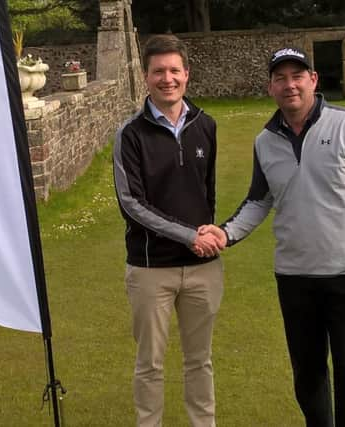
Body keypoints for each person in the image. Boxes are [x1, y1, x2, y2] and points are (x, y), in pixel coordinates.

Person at [199, 47, 345, 427]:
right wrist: (223, 233)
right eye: (280, 78)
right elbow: (259, 200)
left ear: (313, 81)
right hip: (294, 278)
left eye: (297, 76)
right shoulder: (265, 141)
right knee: (307, 376)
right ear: (271, 87)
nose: (289, 85)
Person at [113, 34, 224, 427]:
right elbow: (132, 204)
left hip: (203, 268)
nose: (167, 78)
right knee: (150, 364)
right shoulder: (130, 134)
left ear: (187, 74)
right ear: (146, 77)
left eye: (174, 70)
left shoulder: (206, 125)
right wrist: (189, 236)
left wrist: (207, 237)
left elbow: (206, 193)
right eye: (158, 71)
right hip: (149, 269)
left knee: (200, 361)